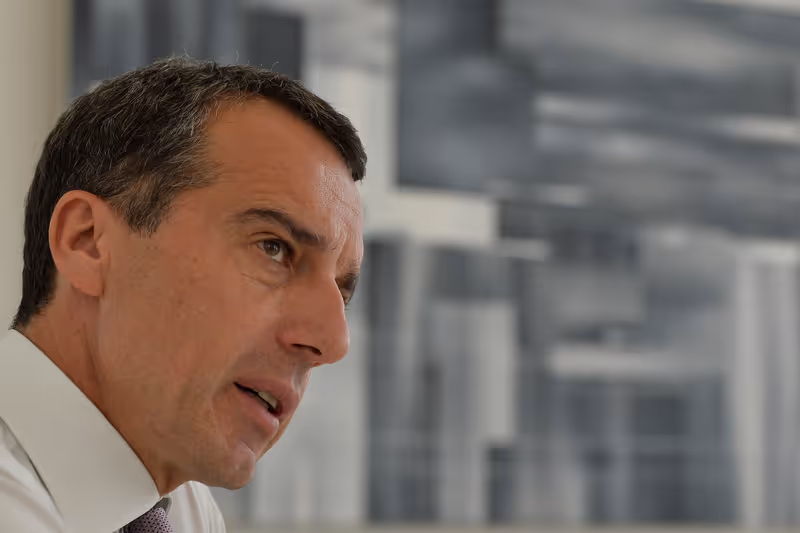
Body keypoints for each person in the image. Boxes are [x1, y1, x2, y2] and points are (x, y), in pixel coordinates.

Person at [0, 57, 366, 532]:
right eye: (274, 248)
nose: (334, 341)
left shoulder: (188, 512)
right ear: (87, 242)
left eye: (341, 294)